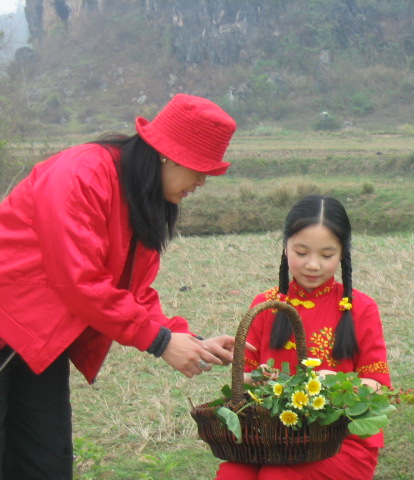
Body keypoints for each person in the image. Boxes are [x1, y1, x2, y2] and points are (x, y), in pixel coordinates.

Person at [0, 94, 244, 479]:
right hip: (10, 324)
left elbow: (134, 292)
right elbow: (79, 281)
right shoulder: (81, 174)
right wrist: (161, 343)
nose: (202, 182)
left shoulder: (140, 195)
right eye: (200, 169)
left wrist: (187, 338)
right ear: (169, 154)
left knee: (44, 462)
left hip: (39, 343)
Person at [215, 195, 392, 480]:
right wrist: (257, 377)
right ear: (285, 248)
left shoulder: (361, 308)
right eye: (301, 252)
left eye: (326, 255)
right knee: (232, 475)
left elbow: (379, 385)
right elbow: (242, 379)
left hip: (338, 441)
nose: (312, 265)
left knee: (276, 477)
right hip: (271, 436)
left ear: (342, 253)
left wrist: (334, 384)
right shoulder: (265, 304)